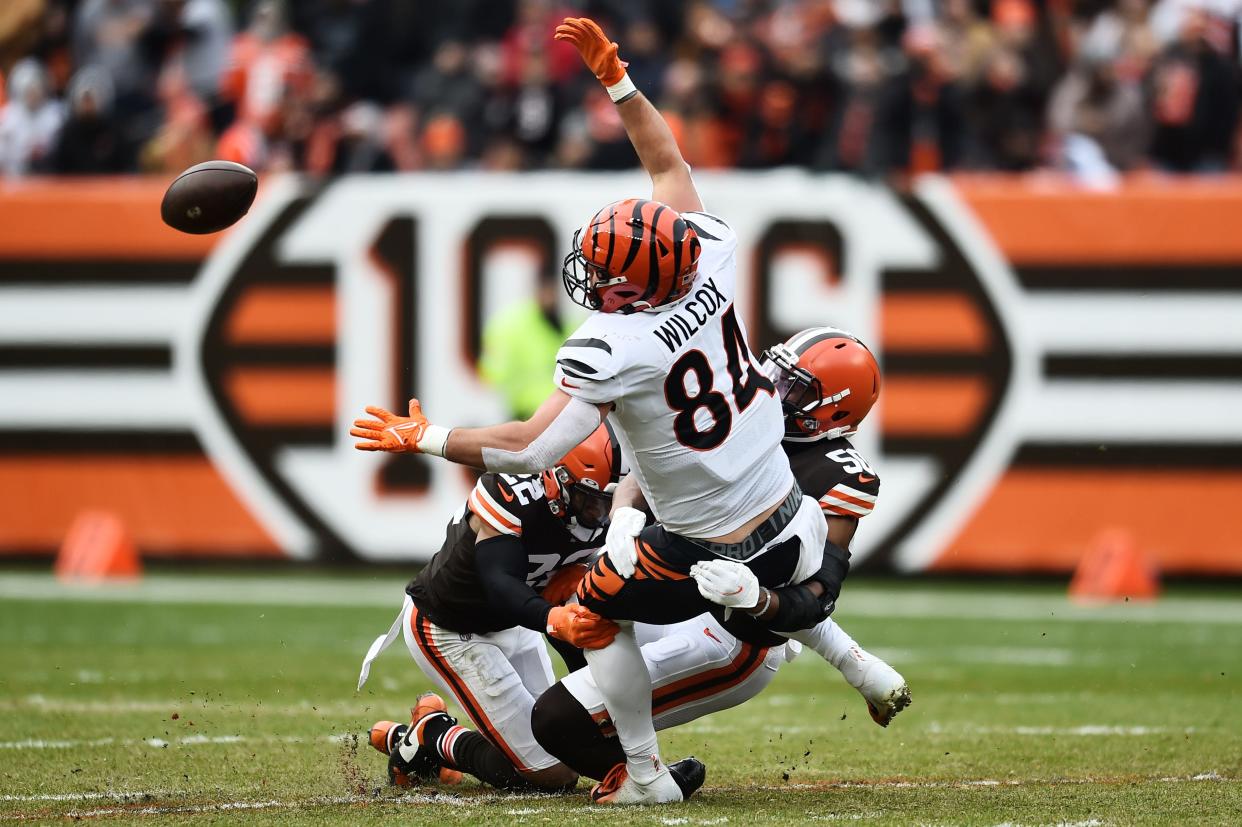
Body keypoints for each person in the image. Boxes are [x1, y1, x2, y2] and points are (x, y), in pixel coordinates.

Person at [351, 15, 838, 805]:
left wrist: (427, 435)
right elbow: (667, 159)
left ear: (630, 288)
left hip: (690, 515)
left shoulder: (617, 345)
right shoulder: (704, 257)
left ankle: (629, 765)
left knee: (579, 684)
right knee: (553, 752)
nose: (589, 278)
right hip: (718, 505)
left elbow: (532, 444)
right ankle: (494, 746)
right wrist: (620, 83)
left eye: (604, 271)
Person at [530, 327, 910, 780]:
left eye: (794, 386)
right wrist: (624, 512)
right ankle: (616, 725)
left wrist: (759, 600)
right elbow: (656, 466)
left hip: (735, 634)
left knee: (557, 723)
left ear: (833, 409)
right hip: (681, 581)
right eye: (775, 371)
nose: (772, 385)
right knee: (574, 604)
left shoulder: (839, 478)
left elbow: (817, 597)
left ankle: (646, 773)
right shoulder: (745, 417)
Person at [356, 424, 703, 798]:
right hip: (451, 627)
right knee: (552, 773)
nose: (599, 513)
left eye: (608, 502)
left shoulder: (611, 507)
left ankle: (426, 740)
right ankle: (433, 735)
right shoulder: (513, 494)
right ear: (556, 480)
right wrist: (554, 620)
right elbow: (500, 583)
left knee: (562, 734)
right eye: (588, 500)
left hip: (516, 622)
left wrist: (578, 572)